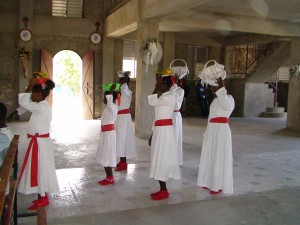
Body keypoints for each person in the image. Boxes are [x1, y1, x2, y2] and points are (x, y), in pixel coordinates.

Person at [18, 77, 59, 210]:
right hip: (39, 143)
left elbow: (23, 102)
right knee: (40, 169)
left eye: (34, 94)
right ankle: (42, 196)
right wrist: (31, 89)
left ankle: (43, 197)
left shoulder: (41, 107)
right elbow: (27, 101)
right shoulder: (40, 106)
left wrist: (29, 86)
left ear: (40, 95)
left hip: (39, 144)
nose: (32, 96)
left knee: (40, 169)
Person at [197, 77, 235, 195]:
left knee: (219, 156)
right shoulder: (214, 101)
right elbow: (210, 118)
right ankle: (208, 181)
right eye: (213, 88)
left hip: (221, 130)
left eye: (215, 87)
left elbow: (227, 107)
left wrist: (221, 89)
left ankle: (217, 185)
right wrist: (207, 132)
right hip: (212, 130)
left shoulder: (229, 98)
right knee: (210, 156)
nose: (213, 90)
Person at [148, 70, 181, 200]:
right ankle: (162, 188)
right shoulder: (163, 96)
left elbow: (151, 101)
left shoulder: (170, 97)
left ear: (165, 84)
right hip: (159, 130)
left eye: (160, 83)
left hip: (165, 132)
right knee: (158, 158)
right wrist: (152, 133)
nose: (157, 85)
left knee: (162, 158)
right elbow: (156, 116)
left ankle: (164, 190)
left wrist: (157, 87)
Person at [96, 84, 118, 185]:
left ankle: (110, 178)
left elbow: (109, 103)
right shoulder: (108, 108)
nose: (103, 99)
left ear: (110, 98)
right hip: (105, 134)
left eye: (106, 97)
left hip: (109, 135)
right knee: (105, 154)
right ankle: (108, 176)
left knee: (107, 155)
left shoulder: (113, 107)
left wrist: (111, 91)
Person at [115, 71, 136, 171]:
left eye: (121, 80)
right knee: (119, 139)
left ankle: (124, 162)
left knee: (122, 139)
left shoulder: (127, 92)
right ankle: (122, 160)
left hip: (124, 118)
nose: (120, 82)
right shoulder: (122, 92)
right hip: (120, 118)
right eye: (120, 80)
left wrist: (125, 80)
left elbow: (124, 88)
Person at [170, 75, 185, 166]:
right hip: (169, 114)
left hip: (175, 116)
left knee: (175, 137)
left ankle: (175, 160)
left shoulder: (180, 91)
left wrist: (174, 85)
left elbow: (174, 101)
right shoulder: (171, 89)